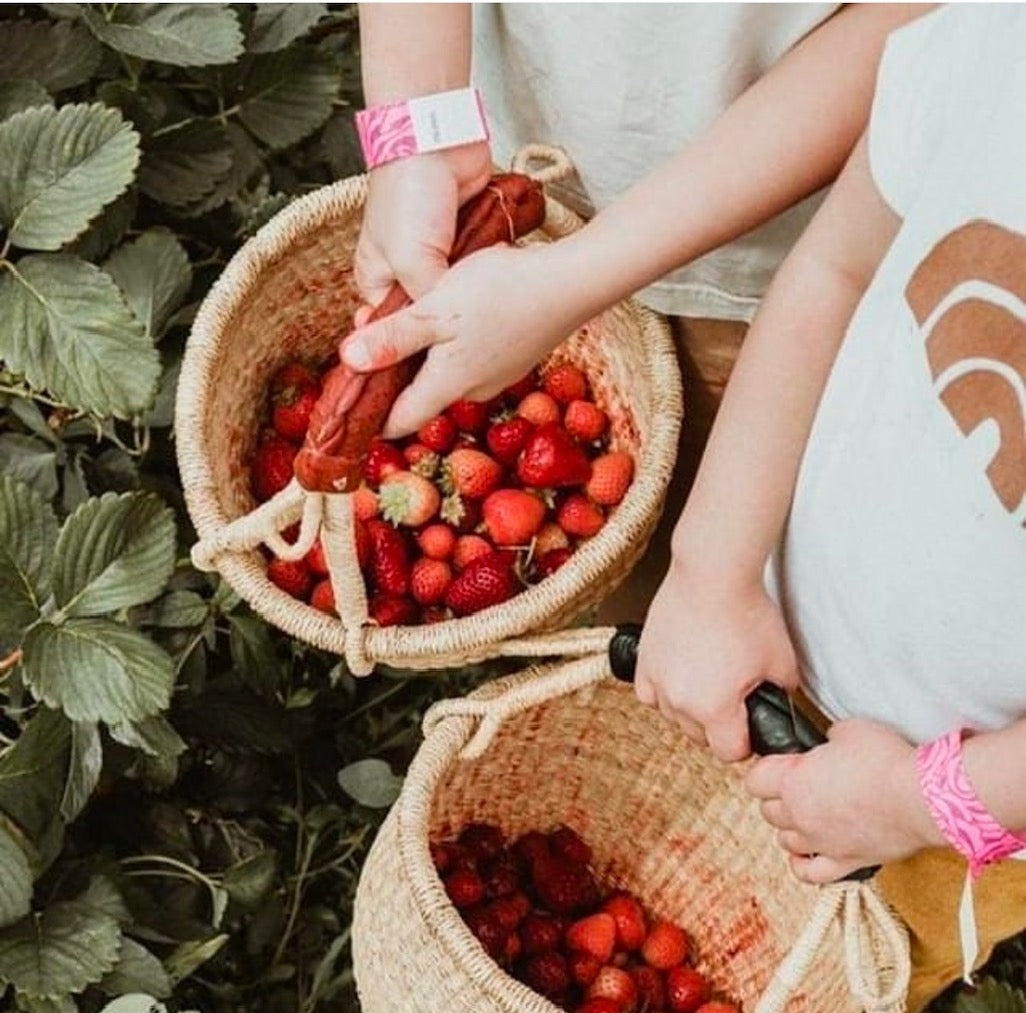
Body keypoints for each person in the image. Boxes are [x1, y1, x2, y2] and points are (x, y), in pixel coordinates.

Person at [632, 2, 1026, 1013]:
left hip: (969, 790)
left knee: (883, 939)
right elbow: (836, 268)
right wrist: (711, 569)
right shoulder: (1001, 46)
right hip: (788, 611)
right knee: (726, 858)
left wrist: (926, 800)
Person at [343, 3, 928, 620]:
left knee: (762, 553)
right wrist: (419, 139)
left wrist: (569, 281)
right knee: (623, 568)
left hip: (767, 258)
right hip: (517, 153)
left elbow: (916, 23)